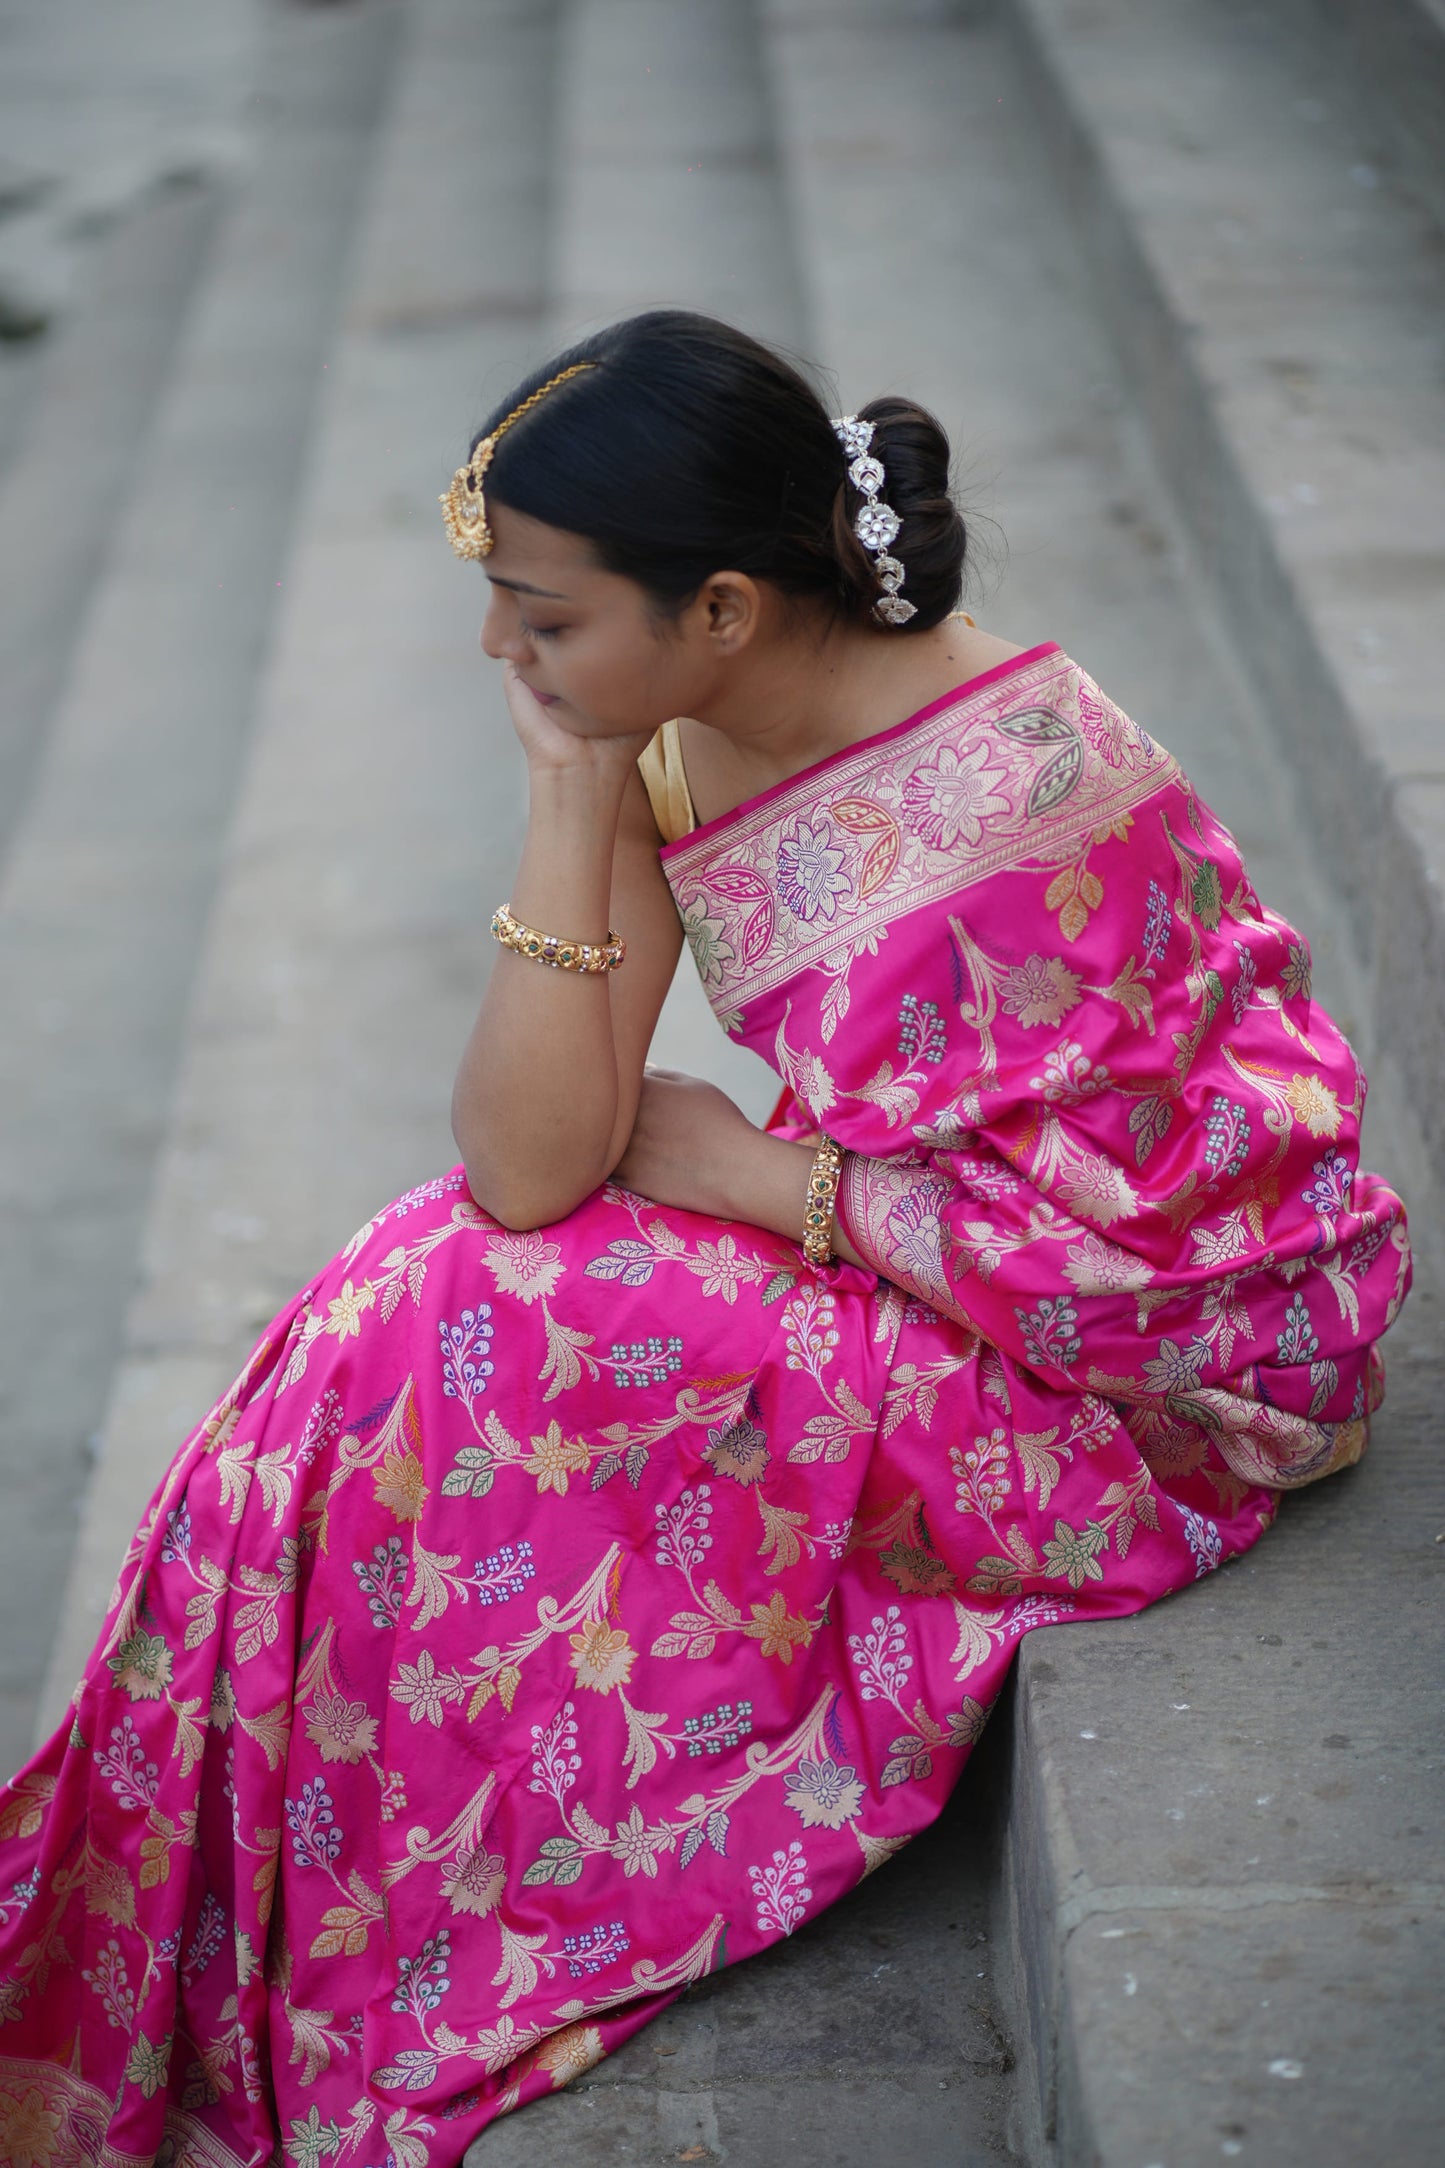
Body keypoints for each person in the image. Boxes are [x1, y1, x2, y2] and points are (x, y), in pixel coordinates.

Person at [0, 310, 1408, 2167]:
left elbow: (1201, 1291)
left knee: (465, 1320)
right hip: (937, 1278)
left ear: (724, 608)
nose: (498, 653)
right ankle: (248, 1908)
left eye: (543, 617)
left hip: (1143, 1406)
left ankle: (337, 1922)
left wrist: (782, 1188)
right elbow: (528, 1163)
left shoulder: (1018, 785)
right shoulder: (676, 737)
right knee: (426, 1285)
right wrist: (571, 788)